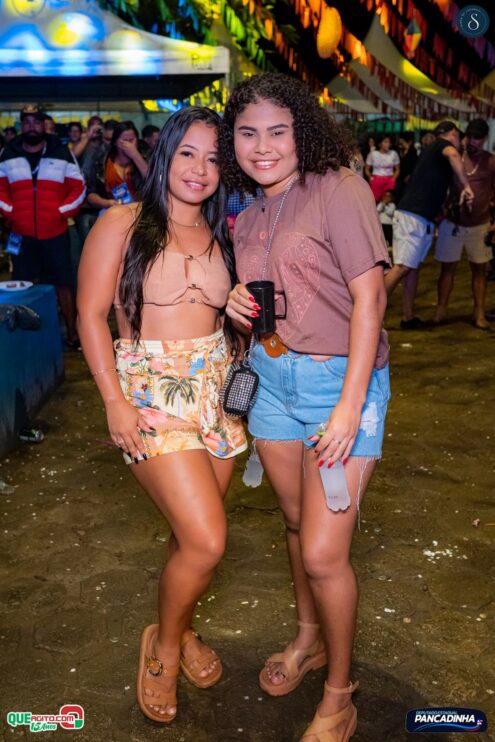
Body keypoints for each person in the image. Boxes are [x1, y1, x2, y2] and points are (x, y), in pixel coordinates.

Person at [220, 73, 391, 741]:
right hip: (270, 380)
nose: (262, 147)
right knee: (295, 524)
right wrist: (235, 302)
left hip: (337, 386)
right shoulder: (247, 213)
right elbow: (269, 295)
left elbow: (370, 299)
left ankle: (340, 692)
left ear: (303, 132)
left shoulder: (337, 188)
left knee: (323, 553)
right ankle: (307, 638)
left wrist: (349, 407)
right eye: (247, 133)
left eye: (277, 132)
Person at [77, 107, 247, 724]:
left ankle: (180, 625)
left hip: (217, 394)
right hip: (151, 394)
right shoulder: (122, 223)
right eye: (187, 153)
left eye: (214, 158)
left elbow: (226, 316)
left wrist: (240, 309)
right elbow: (90, 315)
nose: (199, 169)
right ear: (166, 154)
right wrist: (113, 401)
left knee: (188, 535)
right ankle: (165, 649)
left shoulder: (226, 233)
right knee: (207, 539)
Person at [0, 103, 85, 347]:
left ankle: (73, 335)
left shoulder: (60, 151)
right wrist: (12, 212)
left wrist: (61, 212)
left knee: (63, 283)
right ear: (21, 125)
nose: (32, 127)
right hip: (21, 232)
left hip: (56, 231)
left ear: (44, 125)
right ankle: (27, 339)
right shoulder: (8, 153)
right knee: (24, 284)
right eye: (27, 122)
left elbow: (79, 187)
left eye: (36, 122)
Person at [384, 121, 474, 329]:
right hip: (412, 215)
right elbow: (453, 154)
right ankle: (366, 308)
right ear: (453, 134)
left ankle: (408, 317)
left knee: (411, 268)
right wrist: (467, 186)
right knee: (403, 267)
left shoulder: (432, 153)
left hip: (419, 216)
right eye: (459, 138)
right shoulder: (441, 145)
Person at [434, 118, 495, 330]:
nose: (472, 141)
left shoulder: (491, 161)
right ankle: (440, 311)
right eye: (469, 136)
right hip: (453, 223)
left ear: (485, 138)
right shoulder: (455, 156)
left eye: (477, 138)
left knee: (479, 271)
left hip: (480, 224)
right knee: (446, 269)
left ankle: (479, 313)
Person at [364, 134, 400, 202]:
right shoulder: (373, 154)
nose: (388, 144)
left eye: (389, 142)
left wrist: (393, 179)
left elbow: (397, 169)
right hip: (376, 180)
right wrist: (371, 178)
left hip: (389, 180)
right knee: (375, 201)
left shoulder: (393, 153)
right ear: (380, 143)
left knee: (388, 202)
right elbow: (366, 169)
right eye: (385, 142)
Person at [395, 131, 418, 202]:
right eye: (399, 143)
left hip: (408, 178)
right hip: (398, 177)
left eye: (402, 142)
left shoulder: (412, 151)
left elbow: (415, 165)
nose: (400, 145)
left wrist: (410, 175)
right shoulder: (397, 150)